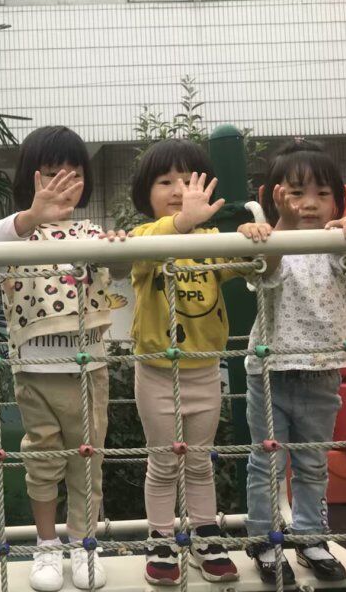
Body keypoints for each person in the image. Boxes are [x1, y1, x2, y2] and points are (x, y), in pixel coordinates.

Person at [105, 139, 262, 585]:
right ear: (146, 193)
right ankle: (160, 538)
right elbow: (136, 255)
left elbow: (251, 263)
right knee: (162, 461)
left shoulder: (212, 242)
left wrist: (253, 233)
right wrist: (181, 222)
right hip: (157, 371)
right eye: (165, 181)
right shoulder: (143, 237)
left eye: (187, 180)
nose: (178, 190)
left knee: (198, 461)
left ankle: (205, 534)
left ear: (207, 189)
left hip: (205, 371)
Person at [0, 126, 112, 591]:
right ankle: (46, 544)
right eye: (52, 173)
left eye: (74, 173)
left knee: (87, 460)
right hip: (35, 368)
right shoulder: (17, 232)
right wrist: (31, 216)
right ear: (30, 178)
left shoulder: (91, 231)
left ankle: (83, 544)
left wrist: (120, 244)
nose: (63, 183)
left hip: (88, 367)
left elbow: (121, 264)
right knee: (41, 460)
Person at [243, 139, 346, 585]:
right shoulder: (269, 240)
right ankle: (264, 541)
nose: (310, 203)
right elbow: (266, 271)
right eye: (296, 193)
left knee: (313, 463)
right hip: (270, 373)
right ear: (275, 198)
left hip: (322, 373)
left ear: (338, 199)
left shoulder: (335, 244)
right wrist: (278, 224)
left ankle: (311, 537)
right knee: (267, 463)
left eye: (322, 193)